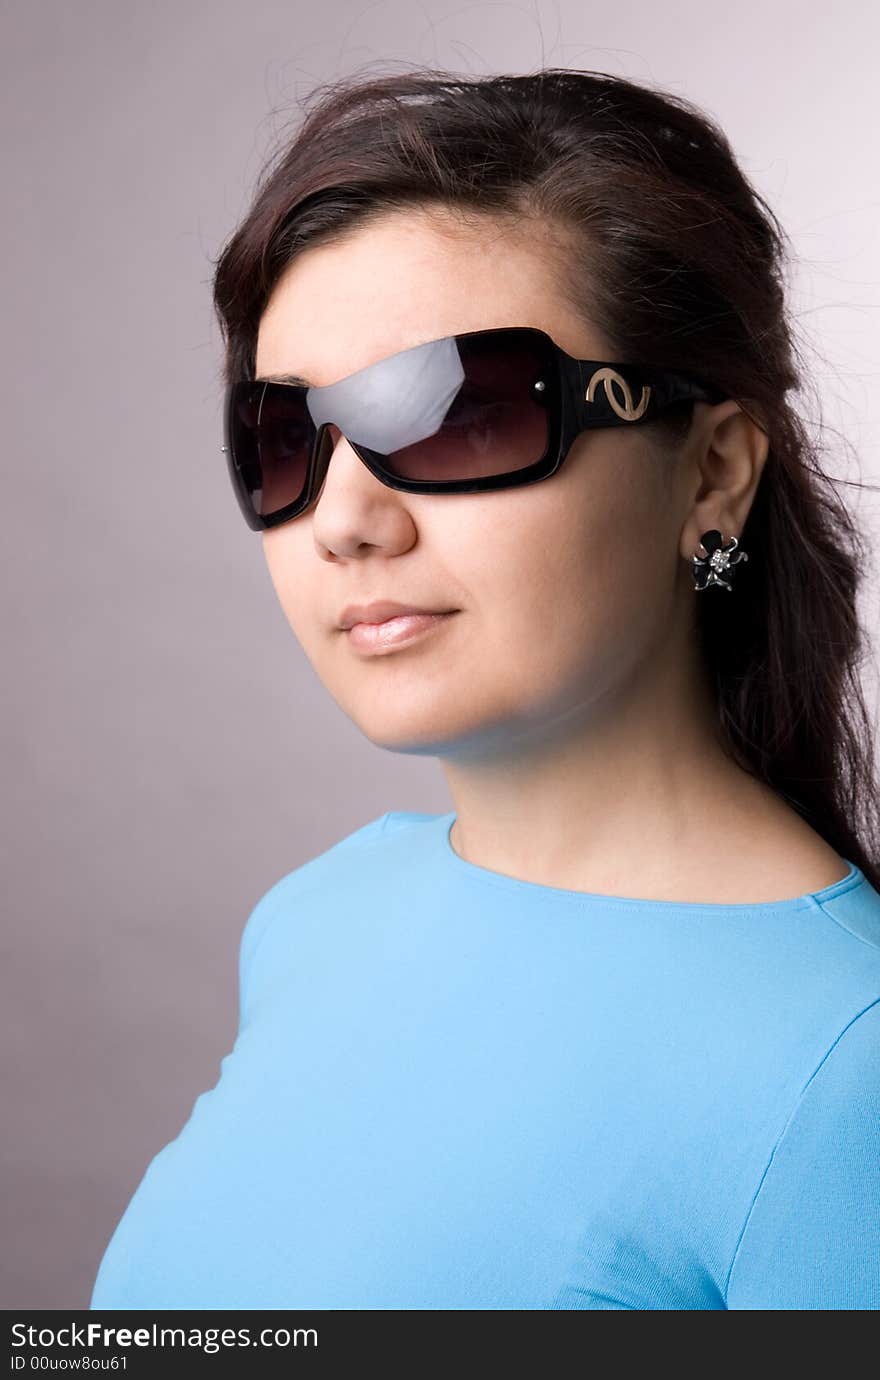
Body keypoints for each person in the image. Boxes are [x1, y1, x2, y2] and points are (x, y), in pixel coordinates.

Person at [90, 67, 880, 1310]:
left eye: (458, 411)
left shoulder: (848, 1070)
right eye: (286, 438)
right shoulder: (320, 914)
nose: (343, 521)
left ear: (713, 471)